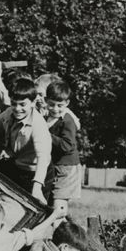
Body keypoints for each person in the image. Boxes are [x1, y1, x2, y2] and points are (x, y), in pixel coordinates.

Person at [0, 75, 51, 204]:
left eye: (22, 104)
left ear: (33, 102)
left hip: (37, 175)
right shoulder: (9, 112)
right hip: (17, 168)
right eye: (14, 103)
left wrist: (37, 186)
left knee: (37, 212)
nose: (17, 108)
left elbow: (43, 158)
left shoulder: (38, 125)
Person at [44, 79, 82, 224]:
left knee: (58, 206)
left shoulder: (67, 120)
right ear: (46, 101)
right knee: (52, 203)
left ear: (66, 103)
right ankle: (63, 230)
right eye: (51, 104)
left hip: (67, 167)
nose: (55, 108)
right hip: (56, 166)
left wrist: (47, 136)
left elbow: (67, 146)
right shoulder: (47, 118)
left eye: (59, 105)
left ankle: (60, 234)